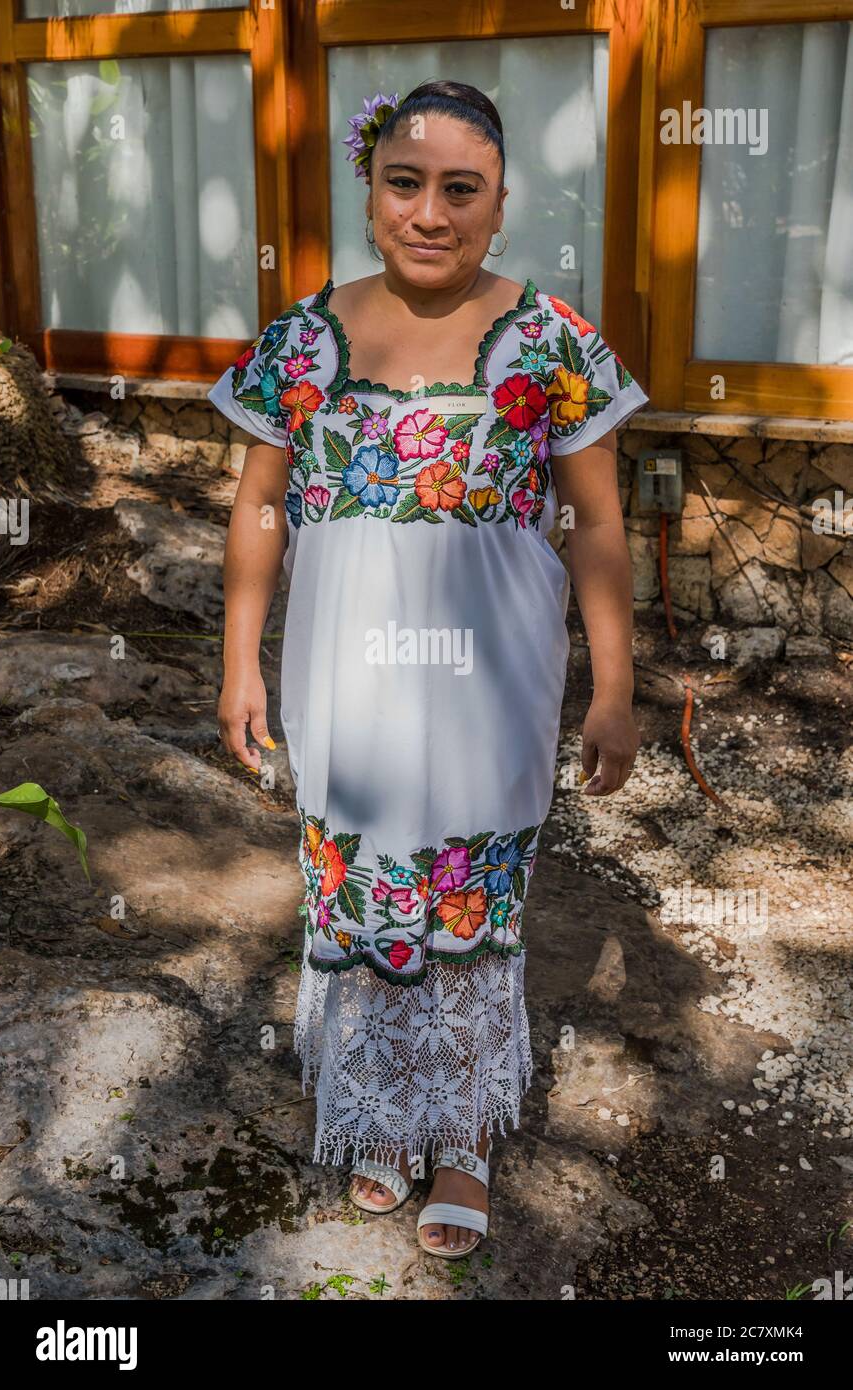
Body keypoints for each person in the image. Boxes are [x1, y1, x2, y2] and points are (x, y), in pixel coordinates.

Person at [208, 79, 647, 1260]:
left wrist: (615, 686)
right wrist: (239, 660)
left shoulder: (553, 343)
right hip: (345, 687)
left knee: (470, 898)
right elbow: (257, 510)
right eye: (407, 182)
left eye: (463, 189)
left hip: (486, 686)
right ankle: (379, 1118)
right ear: (370, 189)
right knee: (355, 887)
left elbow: (598, 526)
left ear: (500, 205)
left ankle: (461, 1137)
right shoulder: (303, 337)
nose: (431, 212)